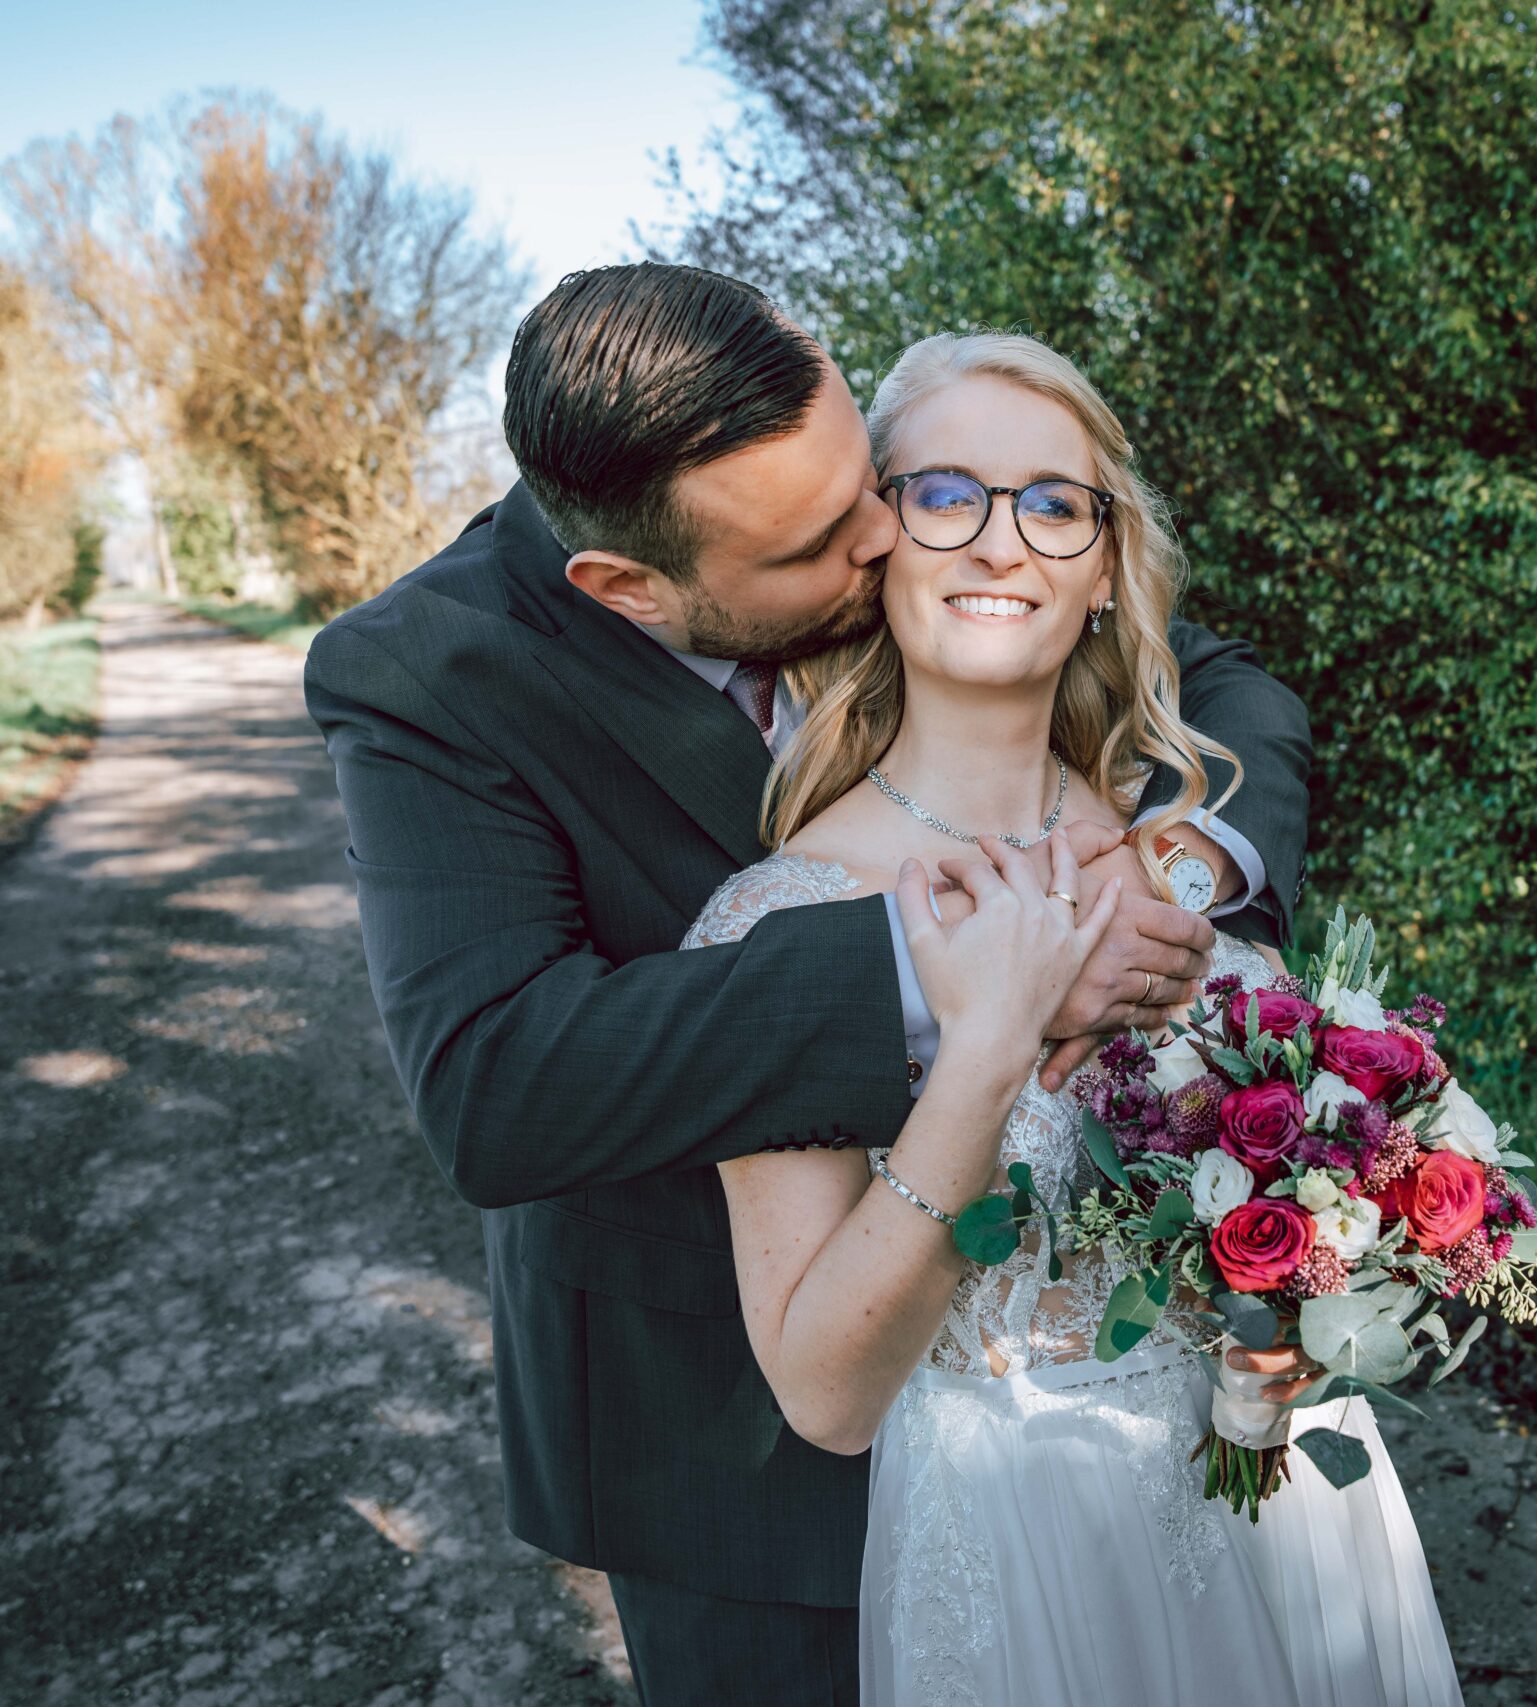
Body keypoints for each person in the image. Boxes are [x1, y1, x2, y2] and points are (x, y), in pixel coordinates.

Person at [305, 264, 1313, 1702]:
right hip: (716, 1436)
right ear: (631, 591)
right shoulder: (429, 675)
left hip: (1105, 1429)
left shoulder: (880, 502)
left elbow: (1217, 678)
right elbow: (497, 1088)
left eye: (878, 485)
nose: (891, 537)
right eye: (825, 540)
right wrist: (967, 969)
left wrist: (1189, 871)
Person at [680, 330, 1463, 1706]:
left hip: (1281, 1513)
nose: (1002, 544)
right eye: (944, 494)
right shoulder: (773, 923)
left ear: (1103, 570)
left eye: (1053, 503)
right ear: (880, 544)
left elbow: (1272, 1215)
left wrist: (1341, 1263)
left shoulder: (1188, 864)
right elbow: (827, 1395)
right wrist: (988, 1042)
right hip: (1018, 1546)